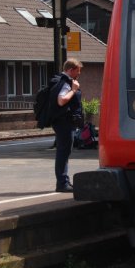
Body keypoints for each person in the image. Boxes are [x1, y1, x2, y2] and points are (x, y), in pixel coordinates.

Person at [51, 58, 83, 193]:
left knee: (64, 151)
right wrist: (74, 90)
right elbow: (61, 100)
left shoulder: (62, 81)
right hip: (64, 123)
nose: (78, 74)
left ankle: (63, 181)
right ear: (70, 70)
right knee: (63, 152)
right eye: (77, 72)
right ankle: (62, 183)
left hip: (63, 122)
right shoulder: (65, 83)